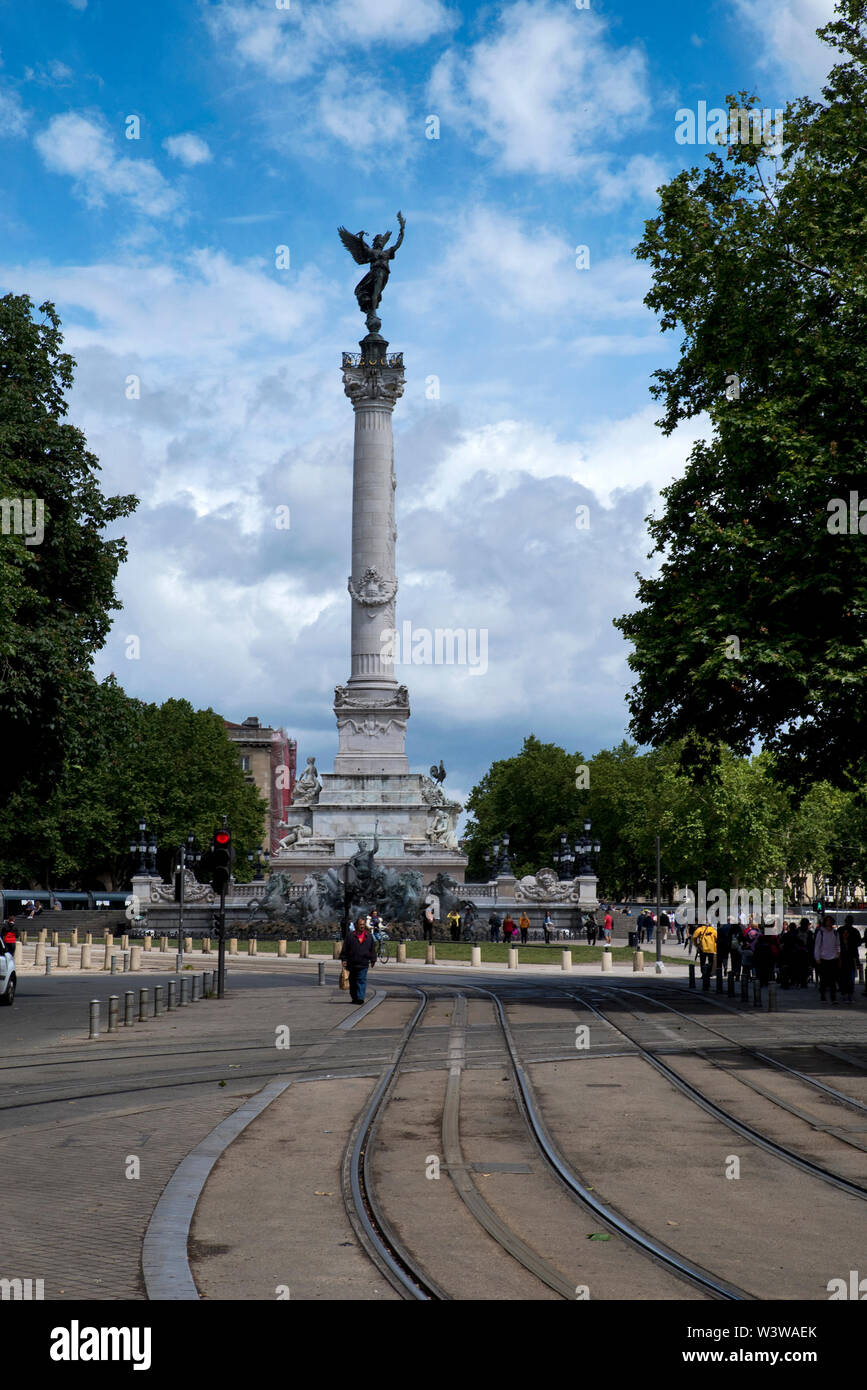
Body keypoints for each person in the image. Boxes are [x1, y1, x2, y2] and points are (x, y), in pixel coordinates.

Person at [340, 916, 377, 1004]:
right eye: (360, 924)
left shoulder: (369, 936)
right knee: (352, 982)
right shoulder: (350, 936)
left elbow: (372, 949)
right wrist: (344, 959)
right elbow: (345, 949)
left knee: (361, 980)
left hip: (363, 963)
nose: (362, 926)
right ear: (356, 925)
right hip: (351, 963)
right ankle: (354, 998)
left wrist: (373, 959)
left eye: (363, 925)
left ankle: (360, 998)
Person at [813, 915, 840, 1003]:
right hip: (823, 958)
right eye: (827, 921)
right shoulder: (821, 932)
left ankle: (833, 997)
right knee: (823, 979)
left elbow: (838, 944)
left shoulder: (835, 933)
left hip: (833, 958)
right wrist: (817, 957)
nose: (828, 922)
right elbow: (817, 946)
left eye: (830, 921)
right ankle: (823, 996)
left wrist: (838, 954)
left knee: (833, 979)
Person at [838, 917, 861, 1004]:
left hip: (847, 957)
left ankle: (846, 994)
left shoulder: (841, 930)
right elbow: (858, 944)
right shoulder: (854, 931)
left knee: (846, 978)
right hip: (847, 957)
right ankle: (848, 995)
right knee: (848, 978)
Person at [692, 920, 717, 985]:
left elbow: (694, 937)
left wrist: (696, 945)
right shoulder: (713, 930)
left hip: (702, 948)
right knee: (711, 962)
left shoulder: (699, 929)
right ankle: (709, 973)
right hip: (711, 948)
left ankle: (703, 973)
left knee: (702, 961)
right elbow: (717, 938)